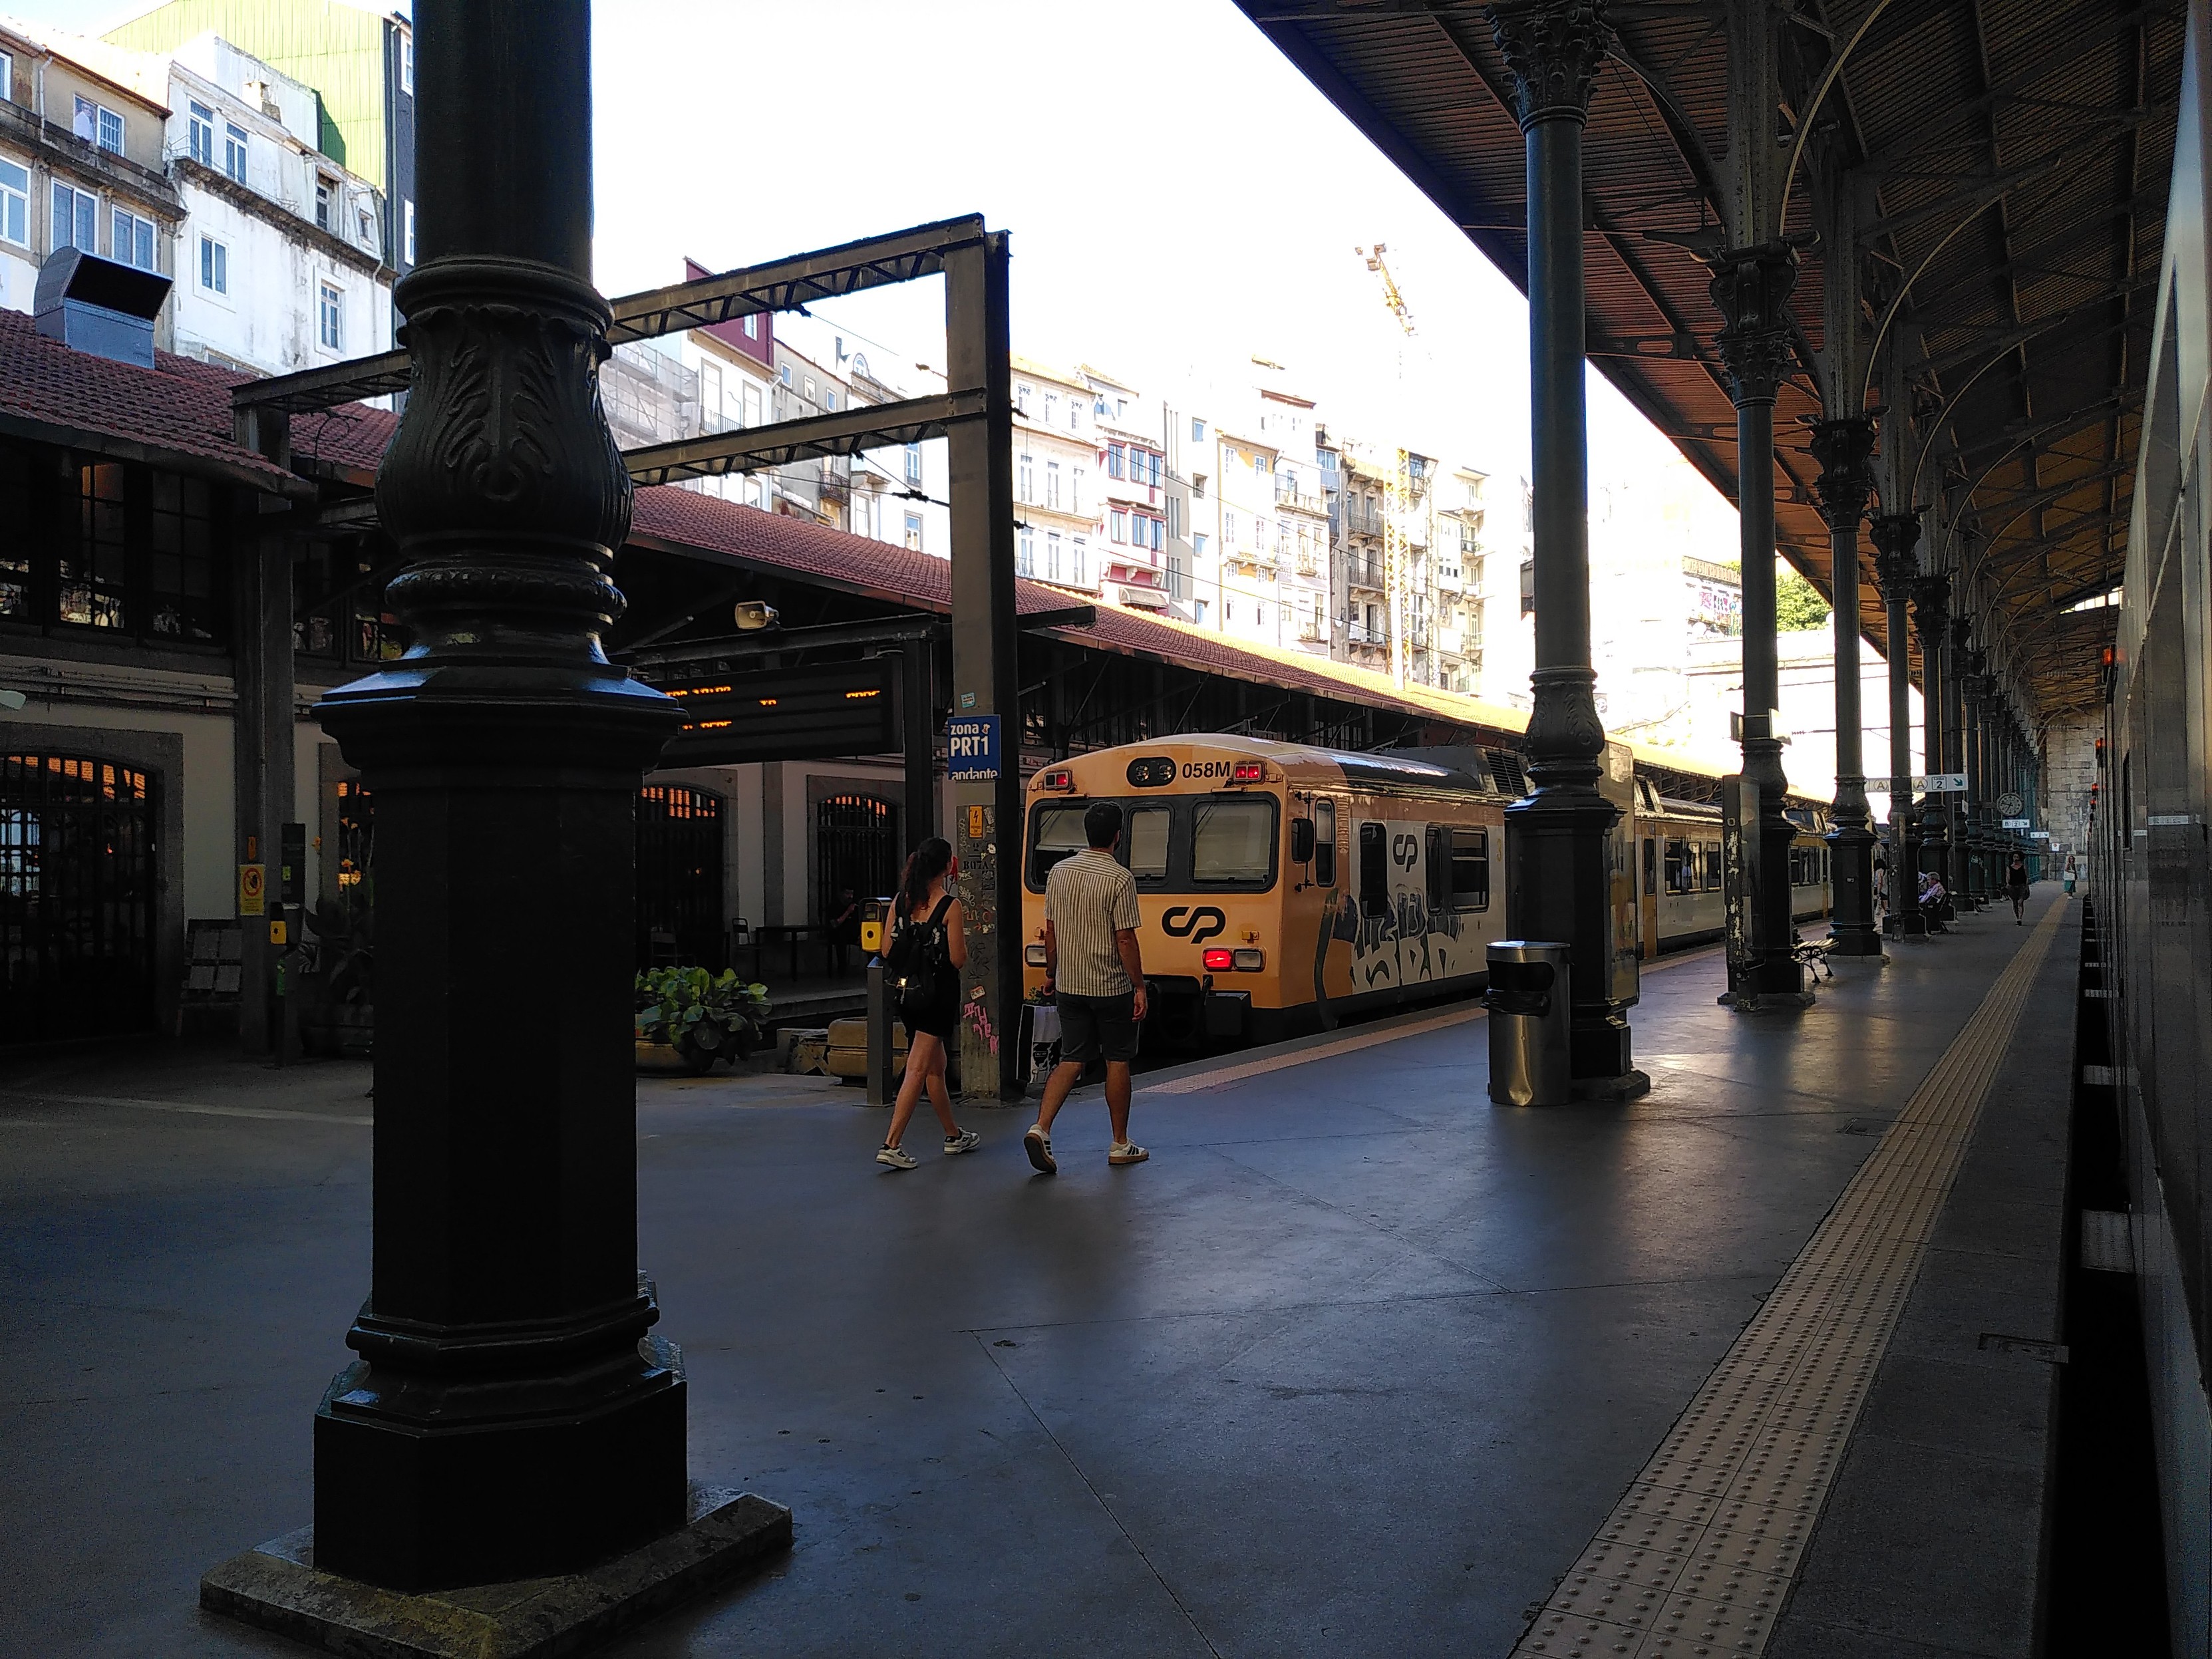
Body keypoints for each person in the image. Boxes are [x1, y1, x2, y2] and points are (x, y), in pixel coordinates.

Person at [1026, 800, 1148, 1174]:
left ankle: (1040, 1128)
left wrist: (1051, 972)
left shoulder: (1059, 874)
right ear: (1117, 835)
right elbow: (1125, 939)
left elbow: (1051, 932)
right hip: (1110, 986)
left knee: (1072, 1058)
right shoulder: (1119, 878)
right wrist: (1139, 986)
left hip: (1069, 985)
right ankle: (1119, 1143)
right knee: (1117, 1058)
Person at [877, 839, 979, 1170]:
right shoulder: (950, 906)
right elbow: (958, 958)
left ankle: (953, 1135)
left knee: (936, 1065)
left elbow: (886, 949)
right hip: (937, 994)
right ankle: (892, 1142)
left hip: (907, 993)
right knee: (918, 1067)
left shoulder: (900, 901)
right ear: (948, 867)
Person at [827, 887, 860, 977]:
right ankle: (842, 970)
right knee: (840, 940)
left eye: (852, 894)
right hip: (838, 933)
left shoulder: (854, 906)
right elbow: (835, 924)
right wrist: (848, 912)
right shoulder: (834, 907)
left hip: (852, 933)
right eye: (848, 894)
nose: (850, 897)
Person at [2004, 851, 2032, 923]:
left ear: (2020, 858)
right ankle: (2017, 917)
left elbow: (2026, 877)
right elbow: (2008, 876)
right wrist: (2008, 884)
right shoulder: (2009, 868)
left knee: (2020, 902)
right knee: (2015, 903)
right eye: (2014, 857)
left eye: (2017, 857)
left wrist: (2027, 886)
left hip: (2021, 886)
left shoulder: (2023, 867)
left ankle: (2020, 918)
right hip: (2012, 886)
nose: (2015, 859)